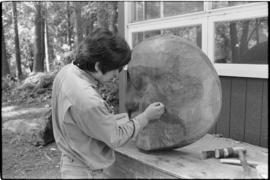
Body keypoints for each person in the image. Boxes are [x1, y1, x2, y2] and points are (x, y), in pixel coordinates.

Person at [51, 28, 165, 179]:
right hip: (86, 171)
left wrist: (111, 119)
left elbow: (84, 120)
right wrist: (146, 117)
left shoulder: (66, 72)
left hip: (72, 159)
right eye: (116, 70)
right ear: (98, 66)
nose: (117, 75)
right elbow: (115, 138)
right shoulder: (88, 100)